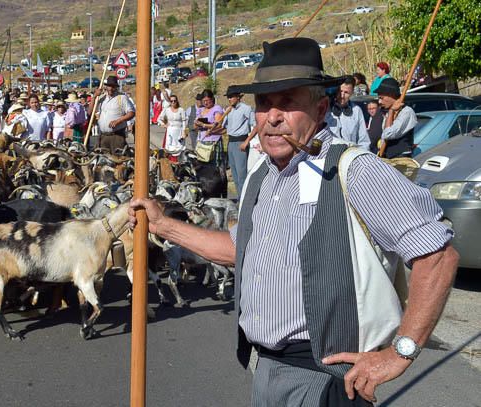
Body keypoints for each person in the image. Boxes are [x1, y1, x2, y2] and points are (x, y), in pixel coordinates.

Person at [128, 37, 458, 406]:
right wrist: (163, 225)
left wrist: (400, 352)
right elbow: (240, 248)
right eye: (264, 103)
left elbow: (438, 256)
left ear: (319, 109)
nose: (272, 116)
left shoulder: (356, 170)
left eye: (288, 103)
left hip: (329, 379)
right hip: (268, 370)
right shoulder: (262, 176)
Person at [219, 88, 256, 194]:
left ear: (238, 97)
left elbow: (256, 126)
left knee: (241, 175)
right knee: (234, 175)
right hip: (231, 142)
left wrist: (247, 141)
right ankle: (240, 198)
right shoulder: (229, 110)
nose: (229, 99)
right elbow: (224, 127)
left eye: (231, 97)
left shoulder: (246, 109)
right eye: (228, 97)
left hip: (241, 141)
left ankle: (244, 200)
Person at [91, 76, 135, 151]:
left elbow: (132, 113)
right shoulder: (101, 98)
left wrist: (118, 121)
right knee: (102, 160)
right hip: (103, 136)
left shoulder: (122, 98)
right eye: (109, 86)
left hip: (116, 136)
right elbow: (90, 111)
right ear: (106, 87)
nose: (111, 88)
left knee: (118, 159)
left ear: (116, 87)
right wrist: (94, 97)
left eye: (113, 86)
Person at [377, 77, 418, 158]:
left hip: (401, 161)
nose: (379, 102)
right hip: (388, 160)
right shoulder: (388, 113)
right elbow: (384, 136)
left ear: (391, 95)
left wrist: (392, 110)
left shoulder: (407, 112)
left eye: (381, 98)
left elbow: (388, 134)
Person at [325, 76, 370, 149]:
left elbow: (364, 141)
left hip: (350, 155)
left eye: (346, 93)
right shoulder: (326, 109)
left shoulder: (357, 111)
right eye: (340, 91)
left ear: (352, 93)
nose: (342, 96)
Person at [193, 89, 225, 168]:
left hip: (213, 141)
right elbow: (195, 126)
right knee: (202, 165)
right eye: (204, 101)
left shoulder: (216, 109)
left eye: (207, 100)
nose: (206, 103)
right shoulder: (201, 110)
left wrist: (204, 125)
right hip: (202, 140)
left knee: (214, 165)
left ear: (212, 99)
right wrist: (197, 124)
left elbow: (218, 124)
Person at [158, 95, 187, 161]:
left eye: (174, 100)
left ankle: (179, 162)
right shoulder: (167, 110)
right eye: (171, 101)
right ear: (170, 102)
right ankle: (170, 162)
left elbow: (184, 122)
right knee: (170, 148)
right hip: (170, 131)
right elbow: (159, 119)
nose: (173, 102)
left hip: (179, 131)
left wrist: (184, 132)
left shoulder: (181, 110)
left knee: (179, 148)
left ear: (177, 101)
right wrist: (164, 124)